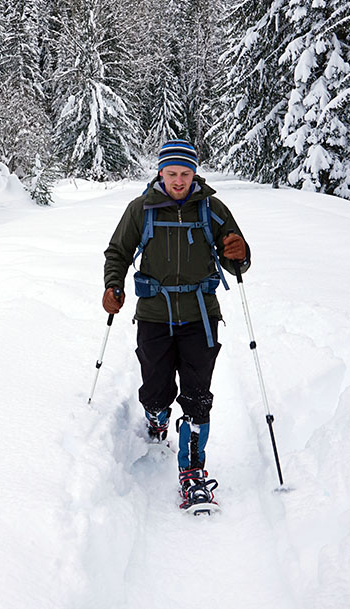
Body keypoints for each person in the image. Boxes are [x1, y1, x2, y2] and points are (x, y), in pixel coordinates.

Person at [102, 139, 250, 513]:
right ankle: (157, 418)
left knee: (198, 397)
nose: (179, 181)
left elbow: (236, 260)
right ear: (160, 173)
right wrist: (113, 285)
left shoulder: (212, 209)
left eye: (186, 174)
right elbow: (118, 252)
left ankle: (193, 473)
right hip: (154, 314)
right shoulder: (141, 209)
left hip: (201, 315)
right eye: (172, 174)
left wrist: (241, 253)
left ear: (195, 173)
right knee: (156, 389)